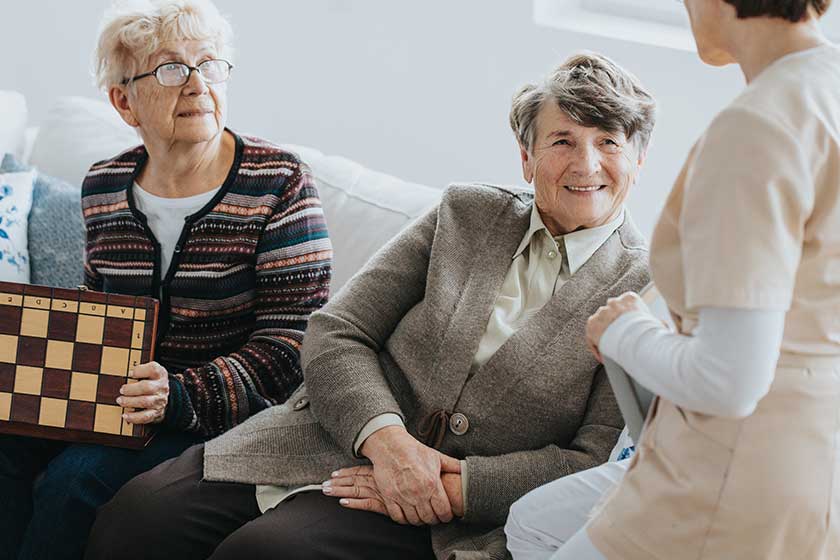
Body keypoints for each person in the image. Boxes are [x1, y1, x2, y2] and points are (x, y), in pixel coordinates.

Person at [85, 52, 654, 560]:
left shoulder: (650, 286)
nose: (586, 164)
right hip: (327, 436)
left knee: (267, 552)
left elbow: (597, 461)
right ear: (527, 158)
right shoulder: (465, 213)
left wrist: (451, 488)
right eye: (562, 141)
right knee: (133, 518)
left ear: (638, 160)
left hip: (446, 511)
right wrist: (390, 445)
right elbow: (337, 331)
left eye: (608, 142)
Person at [0, 1, 332, 559]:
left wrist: (177, 396)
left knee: (76, 480)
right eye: (173, 68)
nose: (198, 84)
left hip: (222, 415)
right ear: (123, 101)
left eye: (211, 64)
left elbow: (295, 343)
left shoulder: (278, 182)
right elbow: (98, 309)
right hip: (114, 401)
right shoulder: (103, 186)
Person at [518, 1, 840, 558]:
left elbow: (728, 381)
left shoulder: (756, 127)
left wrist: (622, 332)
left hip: (732, 472)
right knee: (537, 525)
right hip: (812, 465)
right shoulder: (826, 89)